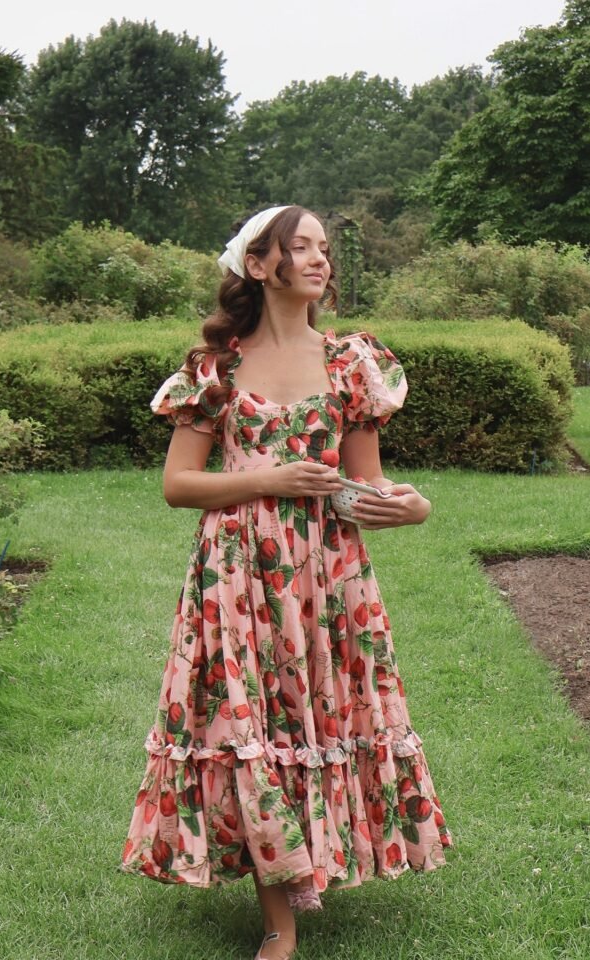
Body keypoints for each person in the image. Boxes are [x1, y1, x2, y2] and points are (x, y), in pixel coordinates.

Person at [120, 205, 453, 960]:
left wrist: (410, 506)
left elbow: (360, 484)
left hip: (327, 577)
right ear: (260, 264)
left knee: (314, 723)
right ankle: (281, 922)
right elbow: (177, 484)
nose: (318, 259)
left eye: (324, 249)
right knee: (248, 730)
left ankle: (311, 866)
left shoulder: (350, 363)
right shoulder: (219, 368)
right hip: (234, 576)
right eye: (299, 247)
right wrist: (268, 477)